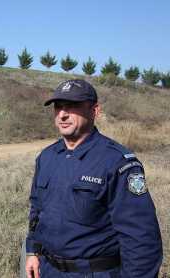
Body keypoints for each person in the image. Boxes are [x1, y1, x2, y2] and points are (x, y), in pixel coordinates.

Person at [25, 79, 162, 277]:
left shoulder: (117, 163)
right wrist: (33, 251)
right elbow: (37, 211)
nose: (63, 114)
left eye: (72, 107)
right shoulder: (47, 157)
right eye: (58, 107)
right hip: (48, 270)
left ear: (94, 111)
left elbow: (141, 237)